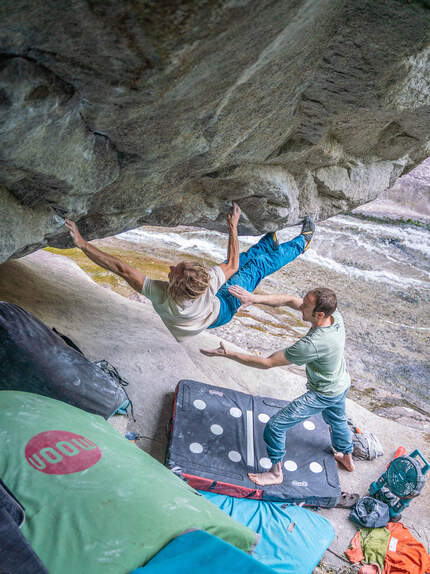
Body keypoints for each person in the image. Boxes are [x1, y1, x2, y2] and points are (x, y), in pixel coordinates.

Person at [65, 205, 314, 341]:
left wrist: (83, 243)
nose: (170, 269)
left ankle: (267, 244)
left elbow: (120, 269)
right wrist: (233, 226)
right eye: (174, 272)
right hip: (223, 309)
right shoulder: (207, 284)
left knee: (244, 260)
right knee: (256, 268)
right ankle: (301, 244)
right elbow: (233, 266)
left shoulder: (162, 295)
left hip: (201, 315)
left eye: (175, 270)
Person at [201, 286, 354, 485]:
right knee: (337, 420)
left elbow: (268, 363)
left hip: (323, 392)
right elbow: (291, 300)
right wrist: (254, 299)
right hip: (341, 382)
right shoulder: (335, 318)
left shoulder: (313, 344)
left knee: (275, 426)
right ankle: (347, 457)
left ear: (320, 314)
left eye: (306, 306)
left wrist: (229, 354)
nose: (301, 307)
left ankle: (275, 473)